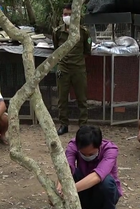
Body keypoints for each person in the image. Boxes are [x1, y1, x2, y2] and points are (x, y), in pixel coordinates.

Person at [59, 125, 122, 209]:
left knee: (106, 180)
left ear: (99, 146)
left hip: (104, 196)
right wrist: (59, 187)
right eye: (83, 154)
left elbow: (97, 176)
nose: (87, 156)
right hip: (84, 194)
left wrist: (69, 190)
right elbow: (65, 169)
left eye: (91, 154)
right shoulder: (73, 145)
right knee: (72, 173)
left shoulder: (110, 150)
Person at [53, 3, 91, 136]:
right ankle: (63, 125)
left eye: (70, 14)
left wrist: (76, 61)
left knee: (82, 99)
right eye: (65, 14)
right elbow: (56, 49)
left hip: (79, 68)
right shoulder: (58, 32)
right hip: (63, 68)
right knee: (62, 99)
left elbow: (87, 51)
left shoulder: (83, 32)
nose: (67, 17)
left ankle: (83, 125)